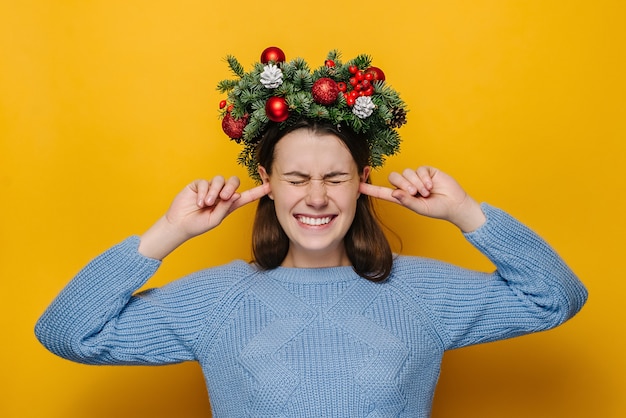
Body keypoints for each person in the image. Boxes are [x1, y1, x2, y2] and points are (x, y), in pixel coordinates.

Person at [35, 49, 587, 417]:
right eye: (296, 178)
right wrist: (170, 231)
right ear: (266, 183)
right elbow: (66, 332)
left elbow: (555, 299)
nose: (317, 197)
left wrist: (465, 211)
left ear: (362, 183)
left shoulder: (421, 293)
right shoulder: (216, 300)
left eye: (335, 178)